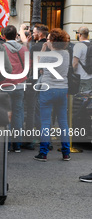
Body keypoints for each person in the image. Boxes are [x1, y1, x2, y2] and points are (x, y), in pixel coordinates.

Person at [33, 28, 71, 162]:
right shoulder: (66, 54)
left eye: (49, 39)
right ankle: (66, 152)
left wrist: (44, 48)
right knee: (63, 122)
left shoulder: (48, 55)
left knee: (45, 122)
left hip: (48, 89)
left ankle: (43, 153)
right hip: (62, 89)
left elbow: (37, 64)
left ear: (53, 41)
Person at [1, 25, 29, 152]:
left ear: (4, 36)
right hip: (20, 85)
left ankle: (5, 145)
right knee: (18, 115)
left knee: (6, 115)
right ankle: (17, 145)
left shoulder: (2, 49)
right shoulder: (24, 49)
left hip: (5, 85)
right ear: (16, 35)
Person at [73, 26, 92, 92]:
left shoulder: (78, 46)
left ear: (80, 34)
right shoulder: (91, 44)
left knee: (81, 98)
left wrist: (73, 73)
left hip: (81, 77)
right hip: (90, 76)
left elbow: (75, 63)